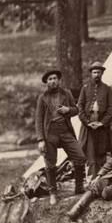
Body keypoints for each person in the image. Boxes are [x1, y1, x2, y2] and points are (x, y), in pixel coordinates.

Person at [35, 70, 86, 205]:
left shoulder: (66, 93)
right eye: (50, 79)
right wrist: (41, 140)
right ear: (47, 82)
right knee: (50, 164)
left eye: (55, 78)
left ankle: (79, 187)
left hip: (65, 130)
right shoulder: (42, 97)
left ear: (59, 80)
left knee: (80, 157)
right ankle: (53, 192)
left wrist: (68, 110)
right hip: (50, 133)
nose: (53, 81)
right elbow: (38, 120)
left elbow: (76, 110)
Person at [77, 61, 112, 180]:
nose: (96, 74)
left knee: (101, 152)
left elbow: (111, 109)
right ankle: (91, 180)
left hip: (102, 127)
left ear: (102, 73)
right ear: (91, 74)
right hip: (88, 127)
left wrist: (102, 123)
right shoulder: (85, 88)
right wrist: (87, 122)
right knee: (90, 154)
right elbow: (80, 107)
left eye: (98, 72)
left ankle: (101, 179)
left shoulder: (108, 89)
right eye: (94, 72)